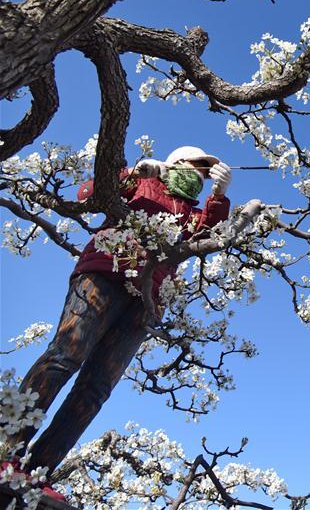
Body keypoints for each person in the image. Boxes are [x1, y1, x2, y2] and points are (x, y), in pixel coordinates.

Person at [7, 146, 232, 499]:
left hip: (145, 300)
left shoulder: (191, 214)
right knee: (65, 356)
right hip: (105, 274)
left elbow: (208, 237)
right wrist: (133, 174)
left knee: (96, 389)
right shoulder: (144, 184)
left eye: (207, 173)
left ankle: (38, 472)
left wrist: (219, 198)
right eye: (199, 167)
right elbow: (88, 193)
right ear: (175, 162)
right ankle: (6, 447)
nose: (202, 176)